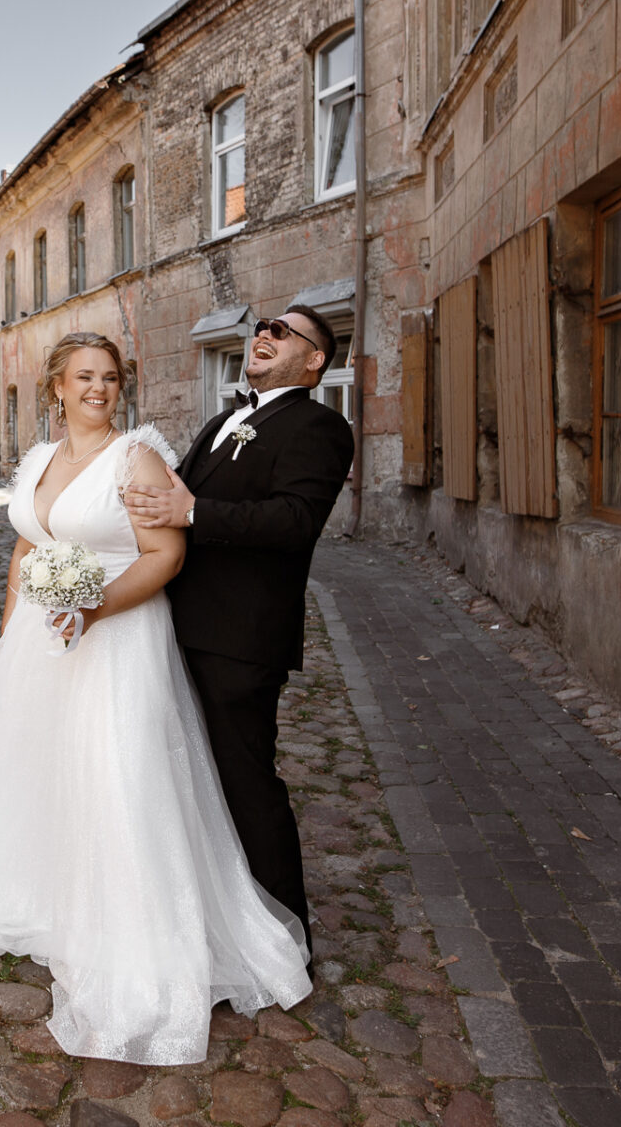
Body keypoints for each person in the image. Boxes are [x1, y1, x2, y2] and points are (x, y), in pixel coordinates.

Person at [0, 331, 311, 1065]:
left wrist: (93, 609)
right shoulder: (37, 459)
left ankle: (131, 922)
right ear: (56, 387)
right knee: (38, 768)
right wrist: (8, 641)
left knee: (115, 773)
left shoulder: (136, 458)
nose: (99, 388)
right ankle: (44, 892)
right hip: (41, 642)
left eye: (111, 378)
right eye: (85, 377)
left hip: (117, 637)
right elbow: (26, 551)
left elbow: (167, 554)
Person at [123, 305, 355, 952]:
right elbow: (176, 505)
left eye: (281, 331)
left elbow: (295, 521)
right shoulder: (224, 419)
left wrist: (195, 510)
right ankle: (209, 920)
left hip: (240, 637)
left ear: (314, 360)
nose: (263, 335)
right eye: (261, 328)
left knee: (244, 781)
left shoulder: (321, 427)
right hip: (178, 624)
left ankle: (283, 939)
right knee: (187, 777)